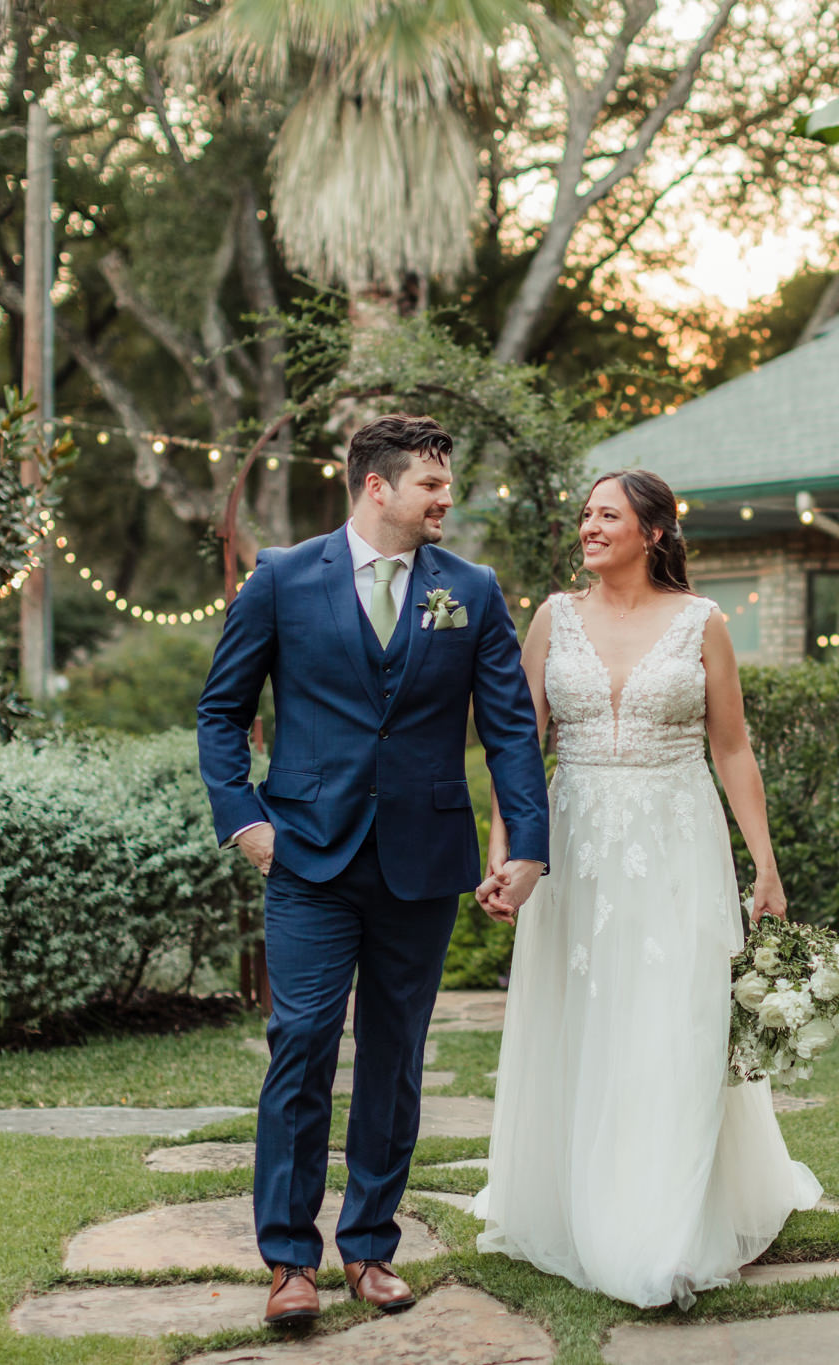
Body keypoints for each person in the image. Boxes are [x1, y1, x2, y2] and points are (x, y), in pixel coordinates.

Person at [196, 414, 550, 1326]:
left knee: (395, 1058)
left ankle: (369, 1247)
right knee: (302, 1044)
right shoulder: (281, 577)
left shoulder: (469, 588)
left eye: (447, 482)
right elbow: (220, 711)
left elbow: (509, 724)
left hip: (423, 861)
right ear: (376, 487)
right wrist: (245, 823)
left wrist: (528, 846)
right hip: (307, 854)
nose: (446, 499)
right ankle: (288, 1261)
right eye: (431, 484)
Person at [471, 468, 821, 1310]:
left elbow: (732, 749)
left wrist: (764, 862)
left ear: (653, 531)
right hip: (577, 843)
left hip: (677, 843)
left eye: (608, 515)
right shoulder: (555, 617)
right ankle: (577, 1196)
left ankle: (662, 1224)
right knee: (586, 1019)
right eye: (586, 514)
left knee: (676, 1019)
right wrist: (505, 858)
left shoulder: (703, 622)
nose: (589, 527)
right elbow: (517, 750)